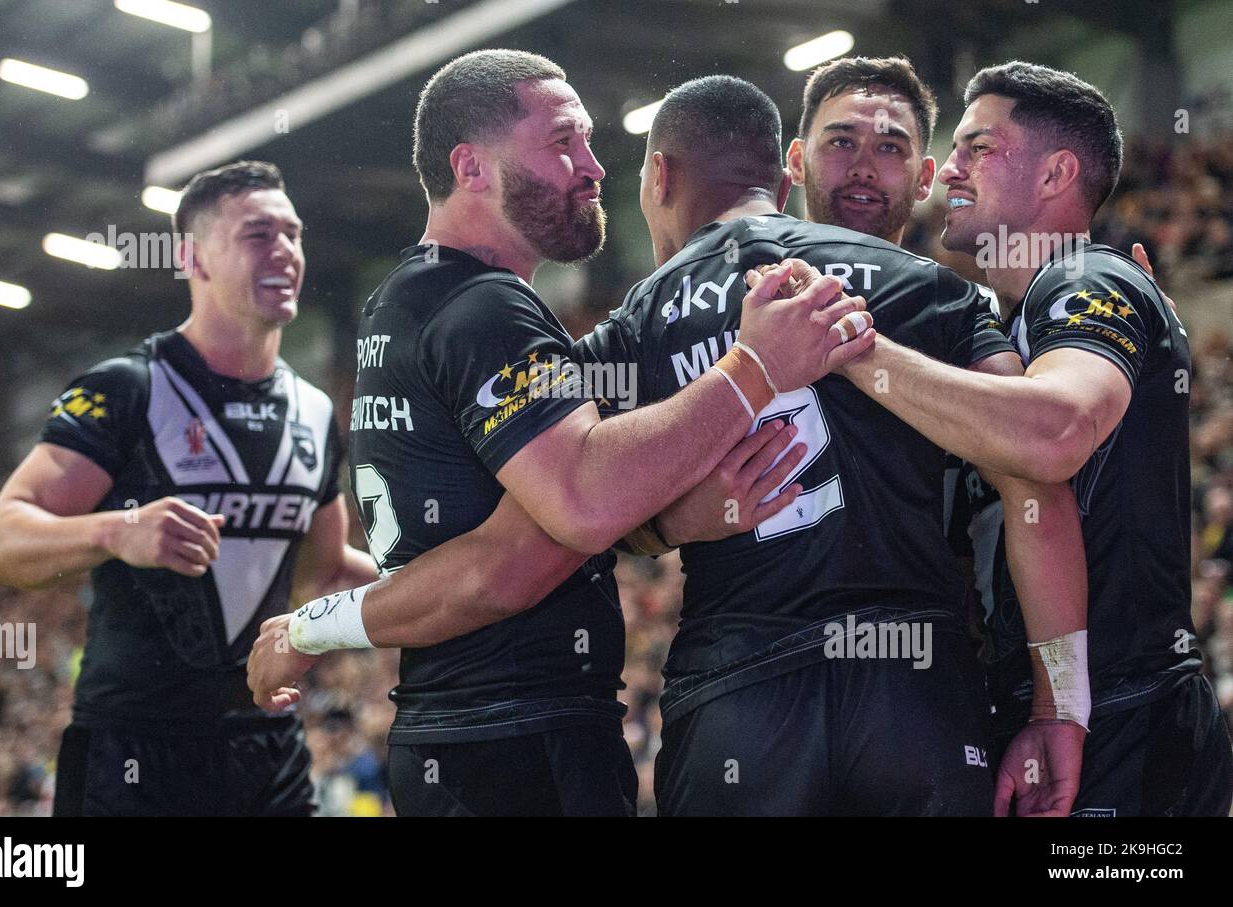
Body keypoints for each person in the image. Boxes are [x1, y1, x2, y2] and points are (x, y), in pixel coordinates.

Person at [253, 72, 1059, 816]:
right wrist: (1060, 701)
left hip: (730, 702)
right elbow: (1035, 471)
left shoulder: (611, 325)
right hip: (919, 692)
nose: (594, 170)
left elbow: (557, 522)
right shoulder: (944, 291)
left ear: (661, 178)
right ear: (786, 180)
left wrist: (664, 516)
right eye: (566, 143)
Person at [832, 61, 1233, 816]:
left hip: (1126, 720)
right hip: (1081, 710)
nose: (946, 168)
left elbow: (1056, 432)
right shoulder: (1015, 322)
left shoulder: (1086, 278)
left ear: (1056, 174)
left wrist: (855, 350)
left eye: (978, 147)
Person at [0, 161, 378, 816]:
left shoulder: (312, 410)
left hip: (268, 749)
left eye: (293, 234)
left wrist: (442, 588)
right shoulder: (126, 389)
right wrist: (113, 530)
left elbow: (323, 570)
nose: (286, 251)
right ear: (191, 256)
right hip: (133, 754)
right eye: (258, 234)